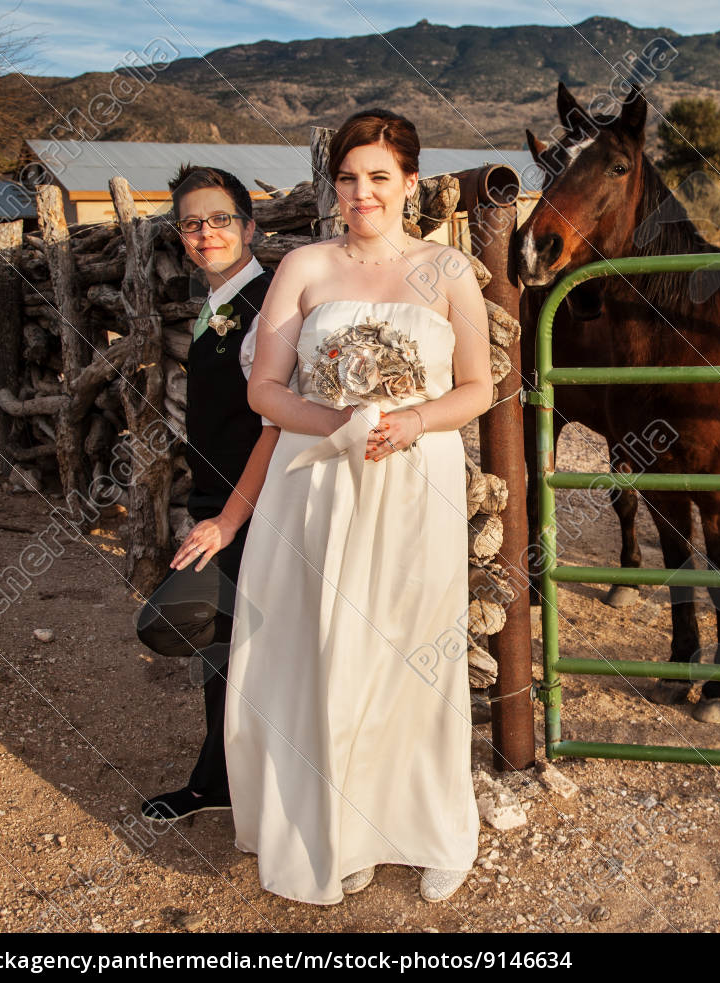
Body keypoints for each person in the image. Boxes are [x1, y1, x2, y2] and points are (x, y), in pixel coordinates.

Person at [224, 109, 489, 905]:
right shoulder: (303, 265)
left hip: (416, 483)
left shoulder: (448, 270)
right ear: (333, 185)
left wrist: (411, 418)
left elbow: (478, 386)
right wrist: (341, 423)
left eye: (380, 177)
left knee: (414, 652)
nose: (362, 192)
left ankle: (433, 825)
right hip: (317, 481)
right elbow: (263, 388)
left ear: (412, 182)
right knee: (326, 649)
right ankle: (346, 826)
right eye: (348, 177)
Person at [134, 165, 281, 823]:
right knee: (222, 648)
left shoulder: (269, 305)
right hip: (213, 502)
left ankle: (271, 778)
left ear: (249, 226)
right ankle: (216, 778)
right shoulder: (216, 303)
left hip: (255, 509)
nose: (205, 232)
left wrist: (228, 516)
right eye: (192, 222)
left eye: (220, 218)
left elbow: (277, 426)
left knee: (171, 620)